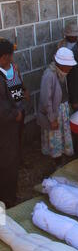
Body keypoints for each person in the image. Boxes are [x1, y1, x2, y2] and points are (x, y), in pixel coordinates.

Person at [37, 48, 77, 167]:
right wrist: (52, 118)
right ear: (60, 64)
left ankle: (62, 156)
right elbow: (46, 100)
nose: (70, 68)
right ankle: (57, 160)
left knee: (61, 134)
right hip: (54, 112)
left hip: (61, 109)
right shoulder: (49, 75)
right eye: (68, 66)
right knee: (55, 135)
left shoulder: (60, 73)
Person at [0, 40, 23, 208]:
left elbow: (16, 89)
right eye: (10, 55)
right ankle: (8, 199)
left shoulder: (10, 70)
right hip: (5, 126)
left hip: (9, 121)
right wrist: (15, 113)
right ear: (4, 57)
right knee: (8, 161)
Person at [2, 46, 30, 164]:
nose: (12, 57)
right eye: (10, 55)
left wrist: (24, 90)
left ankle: (19, 158)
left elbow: (19, 80)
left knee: (19, 133)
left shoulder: (15, 68)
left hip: (19, 106)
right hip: (9, 111)